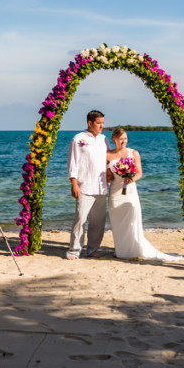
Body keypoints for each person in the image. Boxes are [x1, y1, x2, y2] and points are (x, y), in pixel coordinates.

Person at [105, 128, 181, 261]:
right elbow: (109, 176)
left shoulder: (133, 153)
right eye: (121, 139)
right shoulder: (108, 155)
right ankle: (121, 250)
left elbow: (139, 173)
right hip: (115, 192)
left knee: (132, 220)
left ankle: (134, 249)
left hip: (129, 190)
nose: (123, 141)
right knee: (117, 221)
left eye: (125, 138)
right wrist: (109, 178)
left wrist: (131, 178)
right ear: (114, 139)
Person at [66, 110, 111, 260]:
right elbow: (73, 162)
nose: (101, 126)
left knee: (98, 222)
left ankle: (92, 250)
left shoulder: (104, 139)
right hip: (84, 186)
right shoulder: (78, 139)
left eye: (103, 123)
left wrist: (111, 173)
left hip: (101, 186)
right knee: (80, 219)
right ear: (90, 123)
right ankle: (74, 250)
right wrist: (74, 183)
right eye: (99, 123)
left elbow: (107, 160)